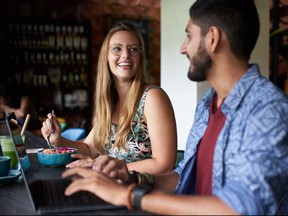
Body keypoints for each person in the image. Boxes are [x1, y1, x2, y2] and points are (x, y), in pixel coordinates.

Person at [61, 0, 288, 215]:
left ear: (212, 39)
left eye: (189, 36)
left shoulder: (267, 109)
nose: (182, 48)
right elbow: (184, 176)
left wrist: (128, 195)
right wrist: (133, 178)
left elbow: (245, 207)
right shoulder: (207, 105)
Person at [41, 22, 177, 174]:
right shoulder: (109, 100)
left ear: (140, 57)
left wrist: (104, 167)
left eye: (133, 49)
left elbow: (164, 164)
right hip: (110, 186)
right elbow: (90, 148)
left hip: (142, 191)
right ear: (106, 56)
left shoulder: (153, 97)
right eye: (117, 48)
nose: (126, 55)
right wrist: (58, 140)